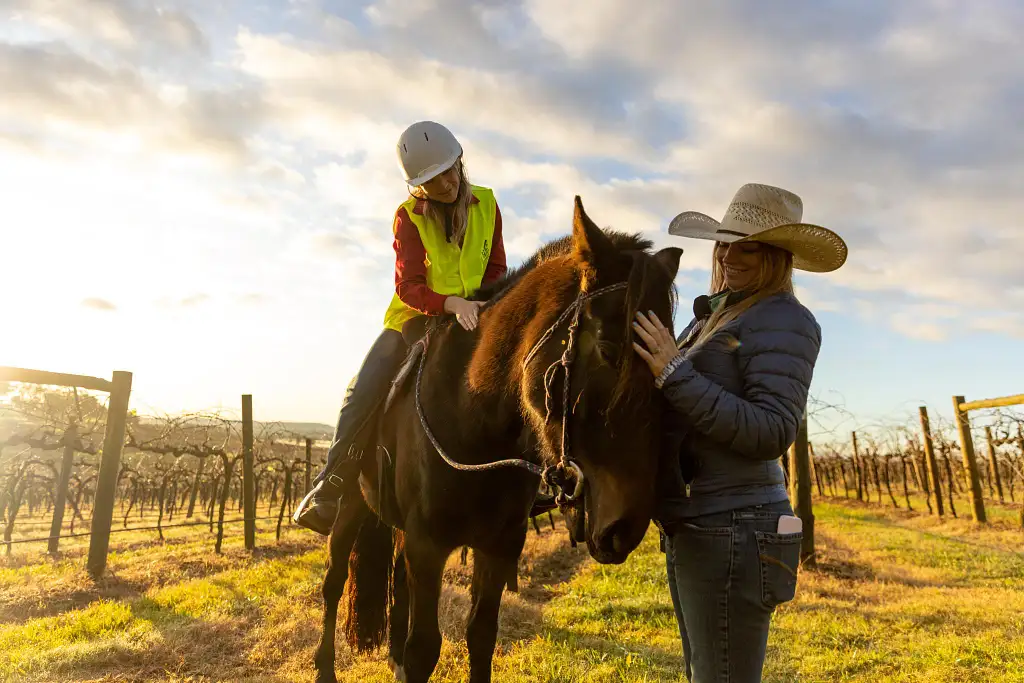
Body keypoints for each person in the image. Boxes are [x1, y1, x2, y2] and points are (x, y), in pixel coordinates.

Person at [631, 183, 848, 682]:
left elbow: (771, 431)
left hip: (735, 524)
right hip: (702, 521)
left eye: (745, 244)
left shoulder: (786, 320)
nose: (728, 254)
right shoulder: (723, 314)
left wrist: (673, 372)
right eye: (723, 241)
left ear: (776, 255)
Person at [293, 120, 507, 535]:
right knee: (366, 384)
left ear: (459, 163)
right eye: (431, 180)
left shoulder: (488, 203)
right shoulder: (408, 216)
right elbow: (408, 285)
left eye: (448, 171)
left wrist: (483, 302)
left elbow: (496, 265)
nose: (445, 184)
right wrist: (450, 303)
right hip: (415, 317)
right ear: (417, 187)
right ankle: (330, 486)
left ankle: (529, 479)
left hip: (476, 313)